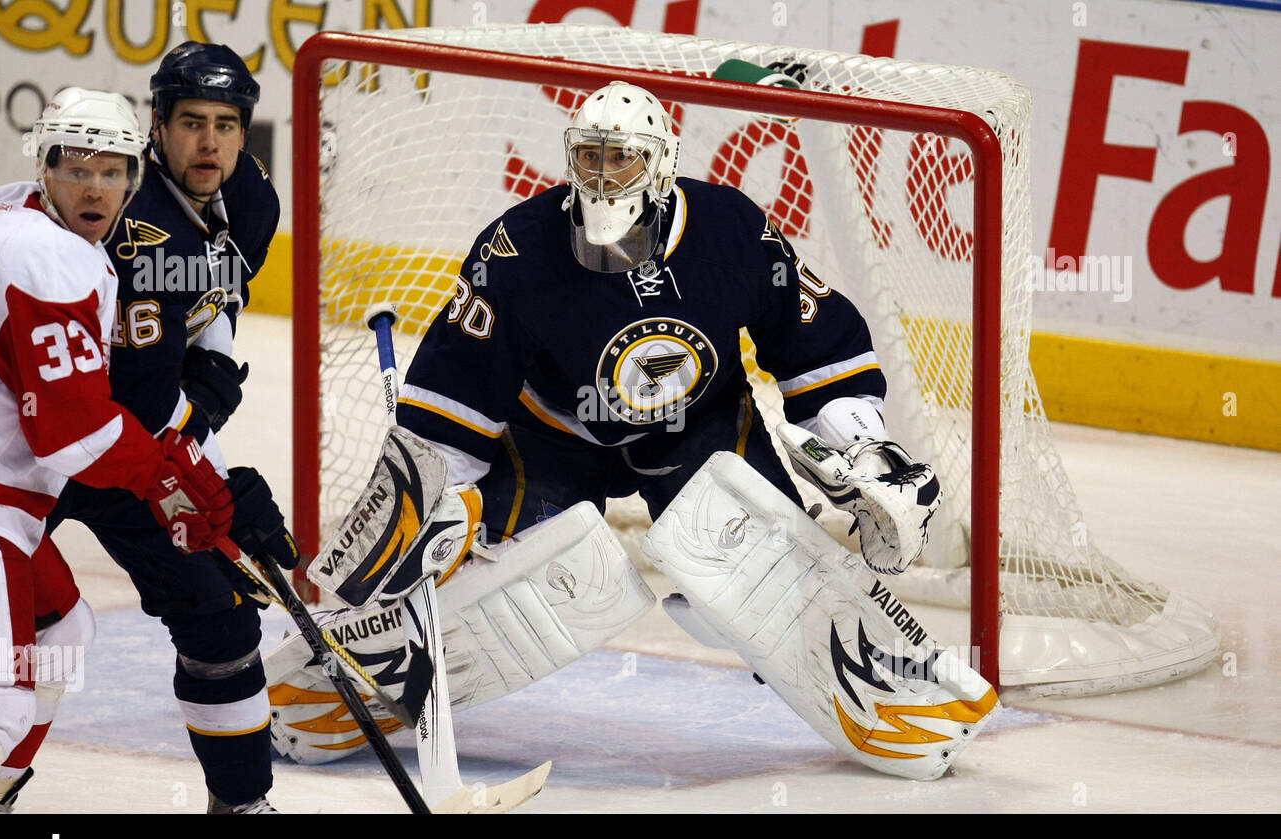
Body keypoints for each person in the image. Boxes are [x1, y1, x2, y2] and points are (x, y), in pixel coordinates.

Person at [268, 82, 984, 779]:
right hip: (551, 436)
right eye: (590, 156)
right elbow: (453, 400)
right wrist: (423, 513)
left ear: (663, 162)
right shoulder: (517, 249)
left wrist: (865, 447)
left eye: (623, 158)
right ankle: (347, 674)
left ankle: (889, 695)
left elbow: (817, 349)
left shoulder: (731, 230)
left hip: (696, 427)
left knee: (758, 557)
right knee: (486, 560)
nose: (604, 175)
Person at [41, 43, 297, 815]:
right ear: (158, 127)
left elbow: (216, 300)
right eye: (191, 123)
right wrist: (217, 474)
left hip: (124, 447)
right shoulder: (138, 226)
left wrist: (211, 378)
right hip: (34, 446)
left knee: (217, 612)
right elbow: (144, 406)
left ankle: (242, 806)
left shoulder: (250, 197)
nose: (210, 143)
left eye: (226, 124)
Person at [0, 88, 235, 812]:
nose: (96, 187)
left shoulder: (10, 209)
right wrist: (164, 477)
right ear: (45, 164)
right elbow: (66, 429)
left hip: (6, 503)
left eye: (114, 170)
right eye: (77, 167)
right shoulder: (42, 255)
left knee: (62, 626)